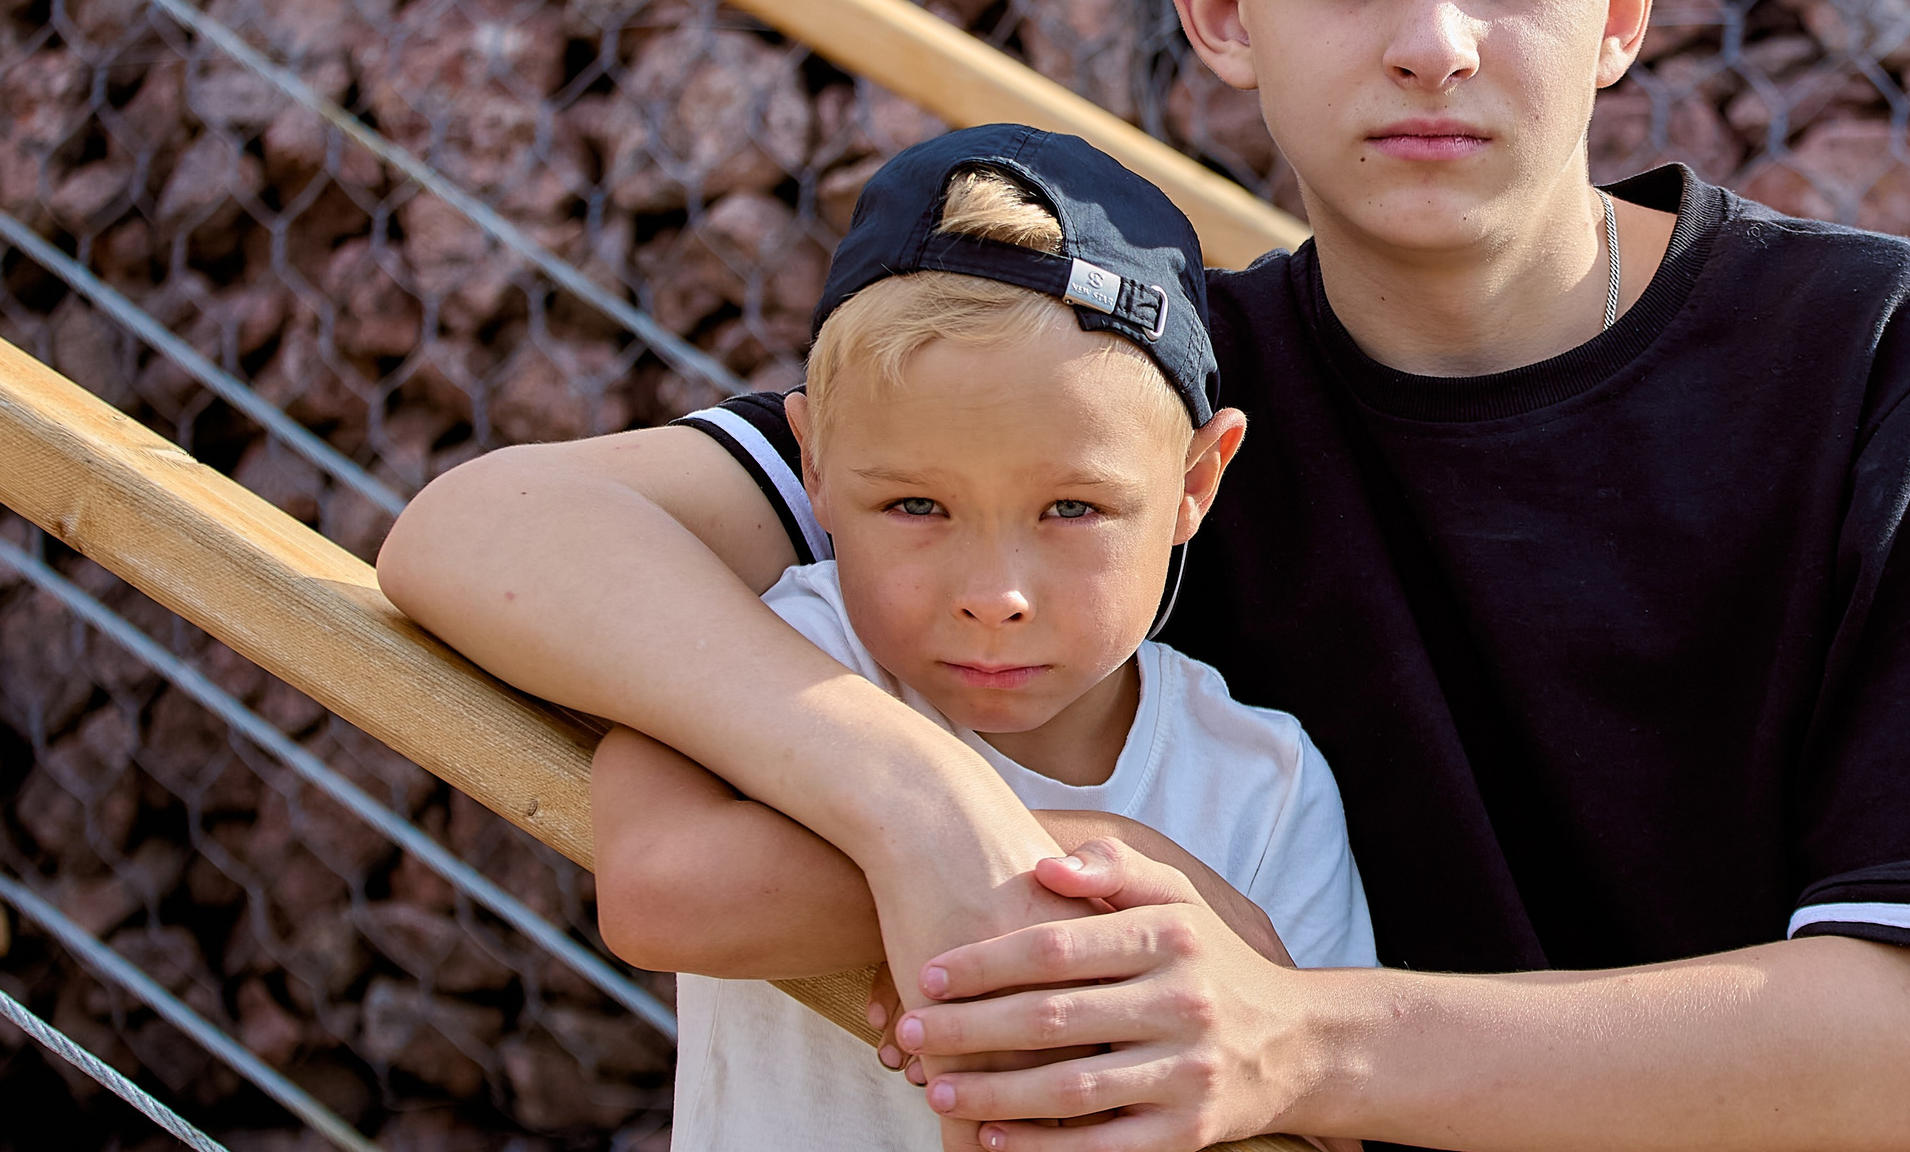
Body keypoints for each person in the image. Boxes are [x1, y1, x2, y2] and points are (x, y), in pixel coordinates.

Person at [378, 0, 1910, 1152]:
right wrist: (922, 804)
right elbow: (492, 527)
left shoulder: (1887, 357)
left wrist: (1297, 1033)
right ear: (1222, 12)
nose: (1434, 40)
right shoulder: (1141, 405)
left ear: (1620, 9)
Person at [586, 126, 1377, 1150]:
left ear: (1195, 482)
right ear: (814, 467)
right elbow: (658, 891)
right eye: (916, 504)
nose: (995, 594)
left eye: (1073, 508)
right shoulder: (773, 645)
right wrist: (1107, 863)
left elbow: (1325, 1120)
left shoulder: (1262, 783)